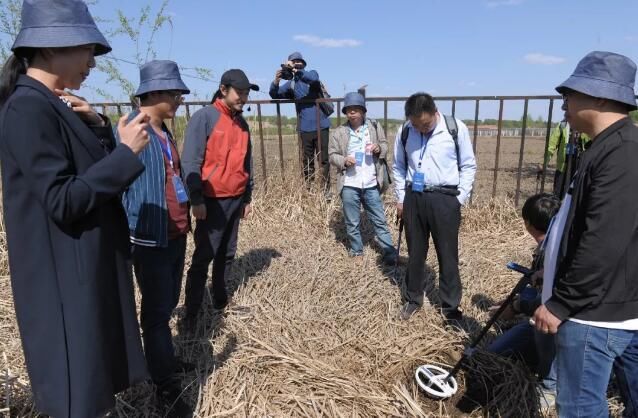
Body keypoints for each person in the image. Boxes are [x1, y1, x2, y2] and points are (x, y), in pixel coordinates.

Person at [0, 0, 151, 416]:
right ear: (51, 47)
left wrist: (100, 129)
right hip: (63, 284)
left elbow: (81, 175)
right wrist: (125, 155)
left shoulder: (51, 104)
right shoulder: (28, 107)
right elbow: (62, 200)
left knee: (92, 390)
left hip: (79, 273)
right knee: (76, 397)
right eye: (88, 50)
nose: (93, 63)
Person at [532, 51, 638, 418]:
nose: (565, 104)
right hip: (604, 306)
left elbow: (604, 240)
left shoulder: (622, 152)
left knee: (579, 408)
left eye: (571, 95)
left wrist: (562, 302)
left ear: (598, 97)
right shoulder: (608, 146)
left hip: (594, 316)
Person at [119, 60, 192, 416]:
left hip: (175, 233)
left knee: (166, 304)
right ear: (154, 93)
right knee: (156, 314)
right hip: (150, 237)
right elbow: (118, 184)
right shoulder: (135, 130)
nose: (179, 99)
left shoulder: (164, 132)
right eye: (174, 93)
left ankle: (165, 363)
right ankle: (165, 386)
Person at [393, 92, 477, 322]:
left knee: (447, 254)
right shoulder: (405, 131)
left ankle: (450, 307)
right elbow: (398, 167)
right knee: (415, 253)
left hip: (445, 199)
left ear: (435, 112)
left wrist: (459, 199)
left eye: (426, 124)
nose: (421, 129)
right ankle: (413, 299)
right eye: (416, 125)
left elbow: (468, 165)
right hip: (414, 198)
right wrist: (401, 198)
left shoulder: (455, 128)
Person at [181, 69, 256, 325]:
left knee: (227, 253)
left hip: (235, 199)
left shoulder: (242, 124)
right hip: (211, 200)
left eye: (246, 93)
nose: (243, 98)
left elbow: (247, 164)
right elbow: (191, 160)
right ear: (223, 90)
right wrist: (196, 199)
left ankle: (220, 300)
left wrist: (247, 198)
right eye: (240, 92)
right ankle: (191, 312)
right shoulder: (205, 118)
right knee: (204, 255)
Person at [486, 193, 560, 411]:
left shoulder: (554, 252)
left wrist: (517, 307)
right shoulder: (549, 247)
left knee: (504, 350)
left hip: (554, 325)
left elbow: (553, 302)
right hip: (539, 319)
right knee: (495, 353)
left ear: (527, 223)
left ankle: (551, 385)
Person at [328, 92, 395, 265]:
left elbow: (385, 145)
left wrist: (378, 148)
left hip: (371, 182)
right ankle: (356, 251)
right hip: (349, 183)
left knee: (380, 220)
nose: (352, 113)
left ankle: (389, 253)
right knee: (352, 221)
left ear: (363, 111)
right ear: (345, 112)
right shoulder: (339, 132)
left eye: (356, 109)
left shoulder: (373, 126)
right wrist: (343, 160)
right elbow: (331, 155)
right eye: (349, 110)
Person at [269, 52, 331, 195]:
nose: (295, 64)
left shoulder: (311, 74)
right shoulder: (291, 84)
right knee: (307, 162)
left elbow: (312, 78)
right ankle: (308, 191)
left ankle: (325, 192)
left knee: (324, 161)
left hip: (321, 125)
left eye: (298, 62)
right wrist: (276, 81)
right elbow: (275, 94)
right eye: (292, 62)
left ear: (303, 64)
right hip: (304, 128)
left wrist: (296, 70)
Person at [543, 120, 590, 198]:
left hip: (578, 163)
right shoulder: (563, 125)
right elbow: (551, 145)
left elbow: (589, 143)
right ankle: (557, 207)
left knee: (575, 191)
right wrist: (545, 163)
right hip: (563, 164)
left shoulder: (584, 124)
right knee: (558, 191)